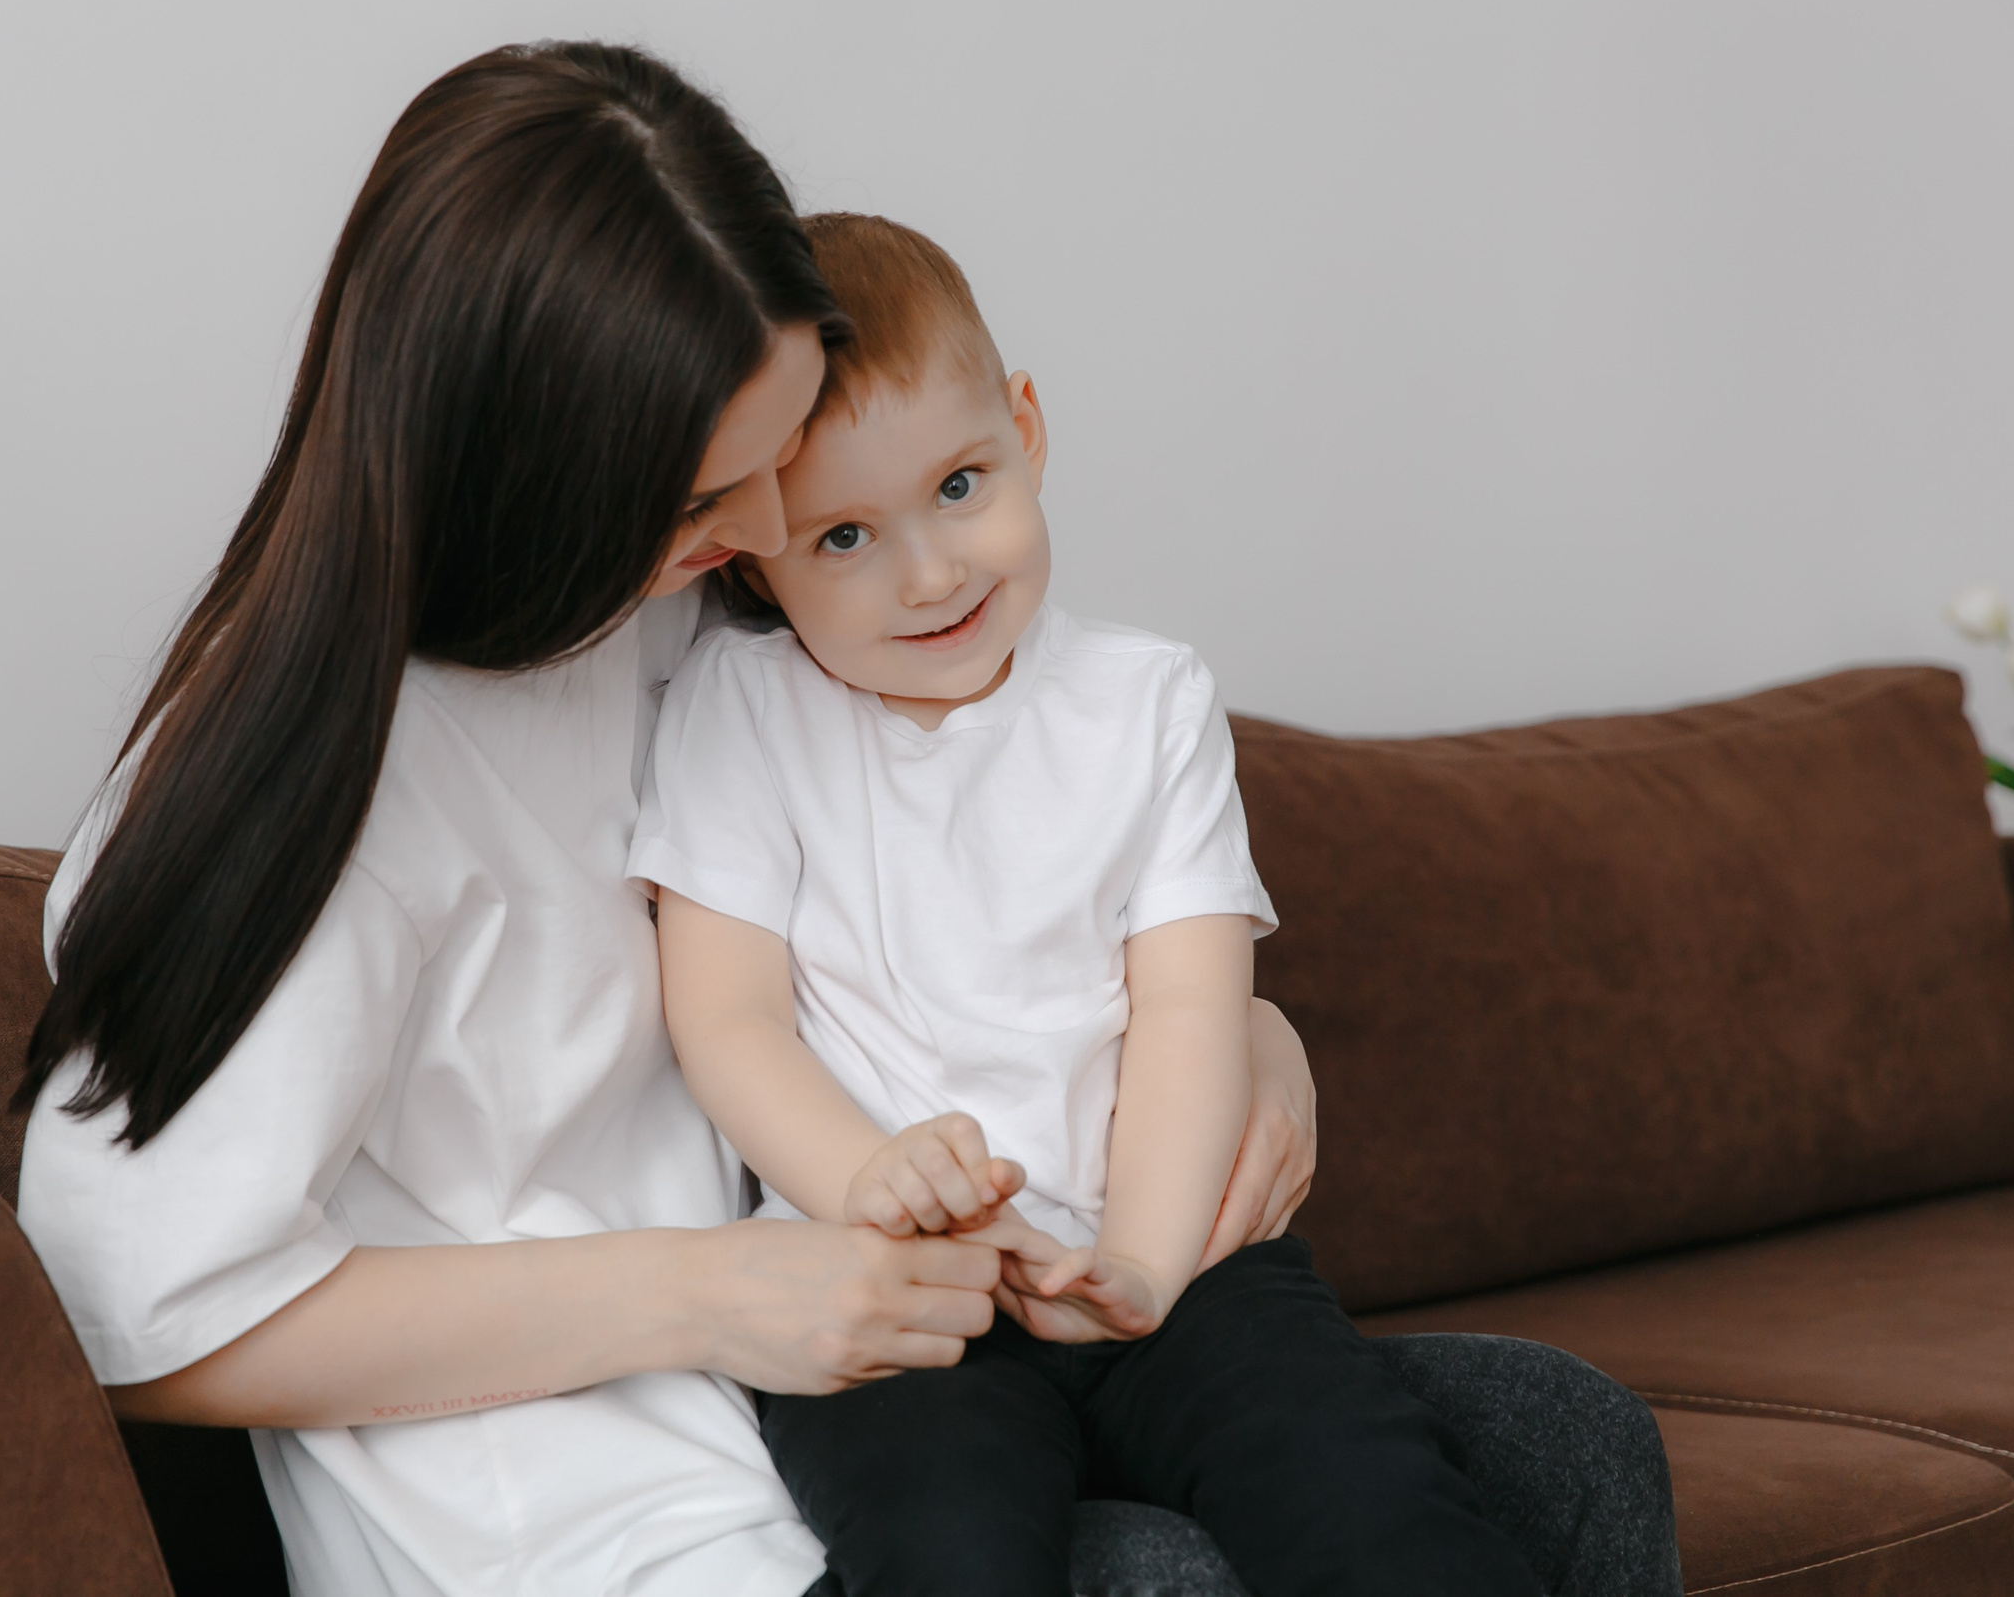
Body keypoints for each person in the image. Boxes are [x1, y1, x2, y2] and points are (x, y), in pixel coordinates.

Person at [12, 42, 1677, 1597]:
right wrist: (716, 1289)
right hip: (629, 1509)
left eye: (771, 470)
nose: (757, 536)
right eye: (701, 499)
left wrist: (1249, 1041)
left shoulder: (665, 624)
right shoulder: (301, 792)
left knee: (1567, 1444)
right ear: (531, 473)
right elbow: (147, 1321)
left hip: (900, 1343)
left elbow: (978, 855)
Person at [634, 213, 1541, 1596]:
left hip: (1169, 1266)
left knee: (1378, 1514)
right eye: (843, 537)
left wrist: (1150, 1262)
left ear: (1028, 429)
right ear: (757, 557)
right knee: (944, 1555)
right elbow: (730, 1019)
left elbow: (1192, 1008)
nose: (930, 573)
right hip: (888, 1287)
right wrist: (870, 1187)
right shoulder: (738, 715)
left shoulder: (1149, 703)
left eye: (958, 485)